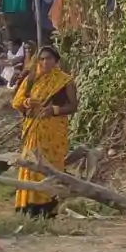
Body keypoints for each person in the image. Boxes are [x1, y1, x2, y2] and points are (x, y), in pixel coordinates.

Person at [10, 46, 78, 218]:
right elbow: (17, 102)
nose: (45, 62)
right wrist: (27, 103)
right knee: (31, 164)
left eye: (49, 58)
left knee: (51, 167)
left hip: (54, 131)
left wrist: (54, 110)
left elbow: (73, 106)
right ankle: (28, 206)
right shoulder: (32, 78)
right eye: (41, 59)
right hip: (33, 128)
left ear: (56, 61)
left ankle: (49, 208)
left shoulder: (65, 81)